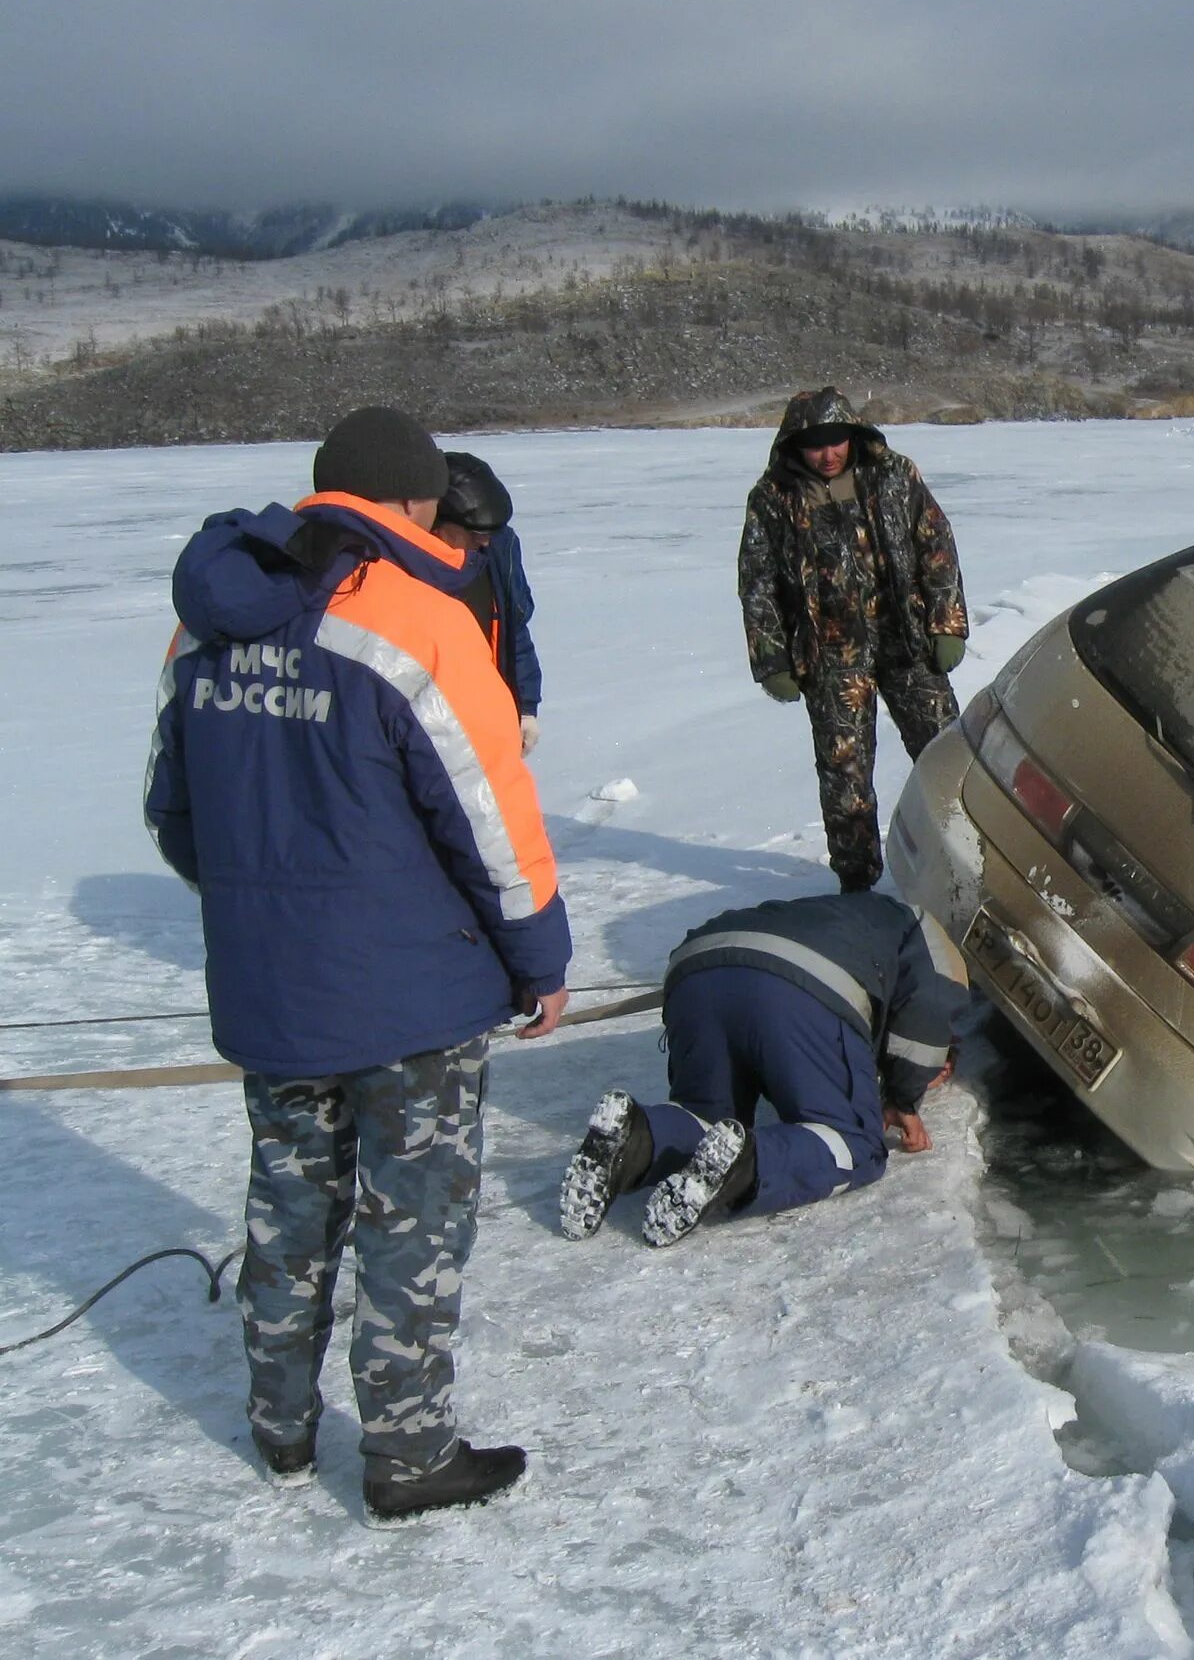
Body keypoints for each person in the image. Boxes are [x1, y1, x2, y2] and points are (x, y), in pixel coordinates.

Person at [143, 405, 573, 1522]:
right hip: (409, 1001)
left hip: (272, 991)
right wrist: (539, 957)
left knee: (288, 1207)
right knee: (412, 1220)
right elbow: (490, 824)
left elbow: (173, 815)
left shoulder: (202, 628)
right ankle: (409, 1454)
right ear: (415, 503)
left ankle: (280, 1430)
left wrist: (265, 913)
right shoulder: (417, 624)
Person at [558, 893, 967, 1247]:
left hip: (698, 969)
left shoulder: (859, 918)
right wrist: (903, 1096)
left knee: (707, 1118)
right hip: (798, 985)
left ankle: (634, 1139)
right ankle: (744, 1167)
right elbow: (929, 1015)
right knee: (855, 1143)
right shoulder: (925, 931)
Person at [737, 387, 970, 892]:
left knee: (946, 758)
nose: (828, 454)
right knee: (845, 778)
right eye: (815, 444)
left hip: (906, 643)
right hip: (830, 658)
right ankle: (858, 883)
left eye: (836, 441)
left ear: (852, 435)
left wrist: (946, 624)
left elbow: (937, 548)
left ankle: (973, 858)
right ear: (795, 445)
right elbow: (758, 583)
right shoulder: (773, 498)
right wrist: (771, 658)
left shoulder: (893, 475)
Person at [432, 451, 543, 755]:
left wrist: (525, 707)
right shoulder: (404, 569)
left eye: (492, 532)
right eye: (477, 533)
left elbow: (515, 631)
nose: (485, 541)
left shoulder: (499, 551)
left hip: (490, 721)